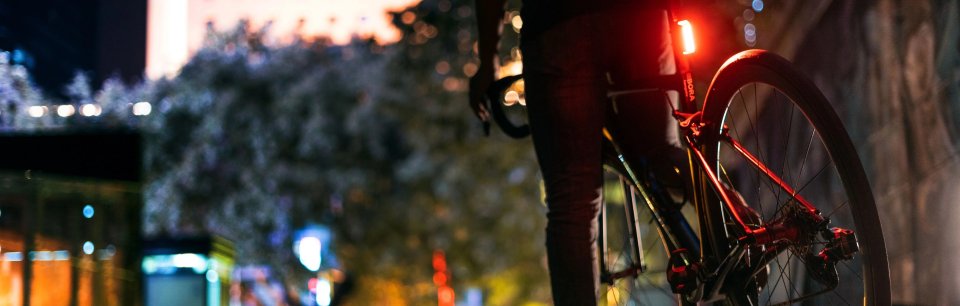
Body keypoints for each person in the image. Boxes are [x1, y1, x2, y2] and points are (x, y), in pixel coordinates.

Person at [468, 0, 686, 304]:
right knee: (663, 155)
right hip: (640, 15)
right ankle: (741, 225)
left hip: (559, 23)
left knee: (573, 201)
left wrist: (488, 57)